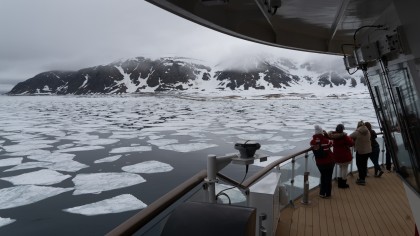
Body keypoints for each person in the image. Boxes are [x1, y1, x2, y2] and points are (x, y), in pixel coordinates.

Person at [310, 125, 335, 198]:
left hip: (319, 163)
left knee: (323, 176)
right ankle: (327, 194)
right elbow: (332, 143)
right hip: (329, 162)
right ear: (321, 132)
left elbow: (314, 145)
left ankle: (322, 193)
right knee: (328, 177)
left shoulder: (312, 142)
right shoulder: (326, 141)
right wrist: (326, 135)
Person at [328, 124, 354, 188]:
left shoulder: (333, 136)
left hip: (337, 155)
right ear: (342, 129)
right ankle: (343, 183)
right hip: (345, 155)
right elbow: (351, 143)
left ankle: (340, 183)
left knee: (341, 168)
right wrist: (351, 139)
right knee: (344, 169)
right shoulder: (344, 137)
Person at [350, 121, 371, 185]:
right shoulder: (368, 131)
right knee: (364, 164)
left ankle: (361, 179)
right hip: (367, 151)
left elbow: (349, 136)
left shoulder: (357, 132)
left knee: (359, 165)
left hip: (360, 151)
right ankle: (363, 178)